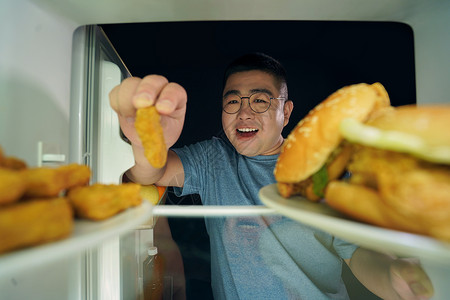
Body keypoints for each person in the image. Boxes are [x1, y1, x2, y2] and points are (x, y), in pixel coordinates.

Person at [110, 53, 433, 299]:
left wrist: (393, 276)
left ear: (286, 112)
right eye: (232, 101)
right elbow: (151, 172)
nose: (244, 112)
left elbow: (359, 253)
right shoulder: (214, 158)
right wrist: (146, 142)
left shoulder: (323, 168)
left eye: (260, 100)